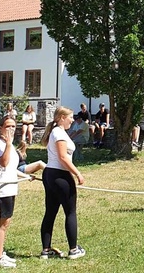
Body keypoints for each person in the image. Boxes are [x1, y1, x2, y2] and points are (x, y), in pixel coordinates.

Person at [39, 107, 85, 260]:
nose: (72, 120)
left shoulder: (58, 132)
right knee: (70, 212)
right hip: (59, 175)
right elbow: (63, 157)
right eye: (70, 117)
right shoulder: (58, 133)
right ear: (62, 117)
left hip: (50, 174)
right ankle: (73, 250)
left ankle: (46, 250)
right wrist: (77, 173)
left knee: (50, 212)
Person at [0, 118, 20, 268]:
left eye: (14, 126)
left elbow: (11, 167)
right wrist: (9, 144)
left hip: (10, 187)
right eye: (8, 126)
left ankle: (0, 252)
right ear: (0, 127)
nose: (11, 129)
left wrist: (26, 175)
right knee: (1, 223)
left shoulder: (8, 145)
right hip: (2, 188)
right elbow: (2, 163)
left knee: (5, 222)